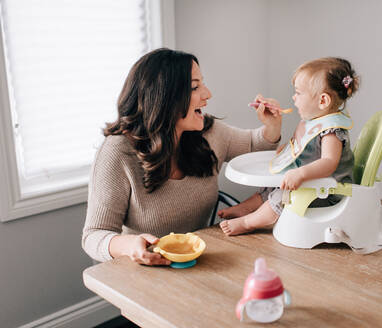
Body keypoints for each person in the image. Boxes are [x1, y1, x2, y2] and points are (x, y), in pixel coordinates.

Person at [82, 48, 282, 265]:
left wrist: (272, 125)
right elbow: (94, 235)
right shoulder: (117, 152)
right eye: (195, 87)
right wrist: (129, 245)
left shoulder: (208, 132)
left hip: (200, 262)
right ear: (164, 97)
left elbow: (255, 145)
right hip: (144, 269)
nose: (207, 94)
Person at [219, 57, 359, 236]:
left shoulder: (331, 130)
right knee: (273, 187)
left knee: (282, 195)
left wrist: (300, 173)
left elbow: (329, 162)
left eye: (299, 93)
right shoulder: (315, 121)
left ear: (323, 101)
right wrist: (288, 150)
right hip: (315, 184)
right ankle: (246, 208)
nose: (294, 97)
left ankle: (249, 222)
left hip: (328, 191)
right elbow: (308, 149)